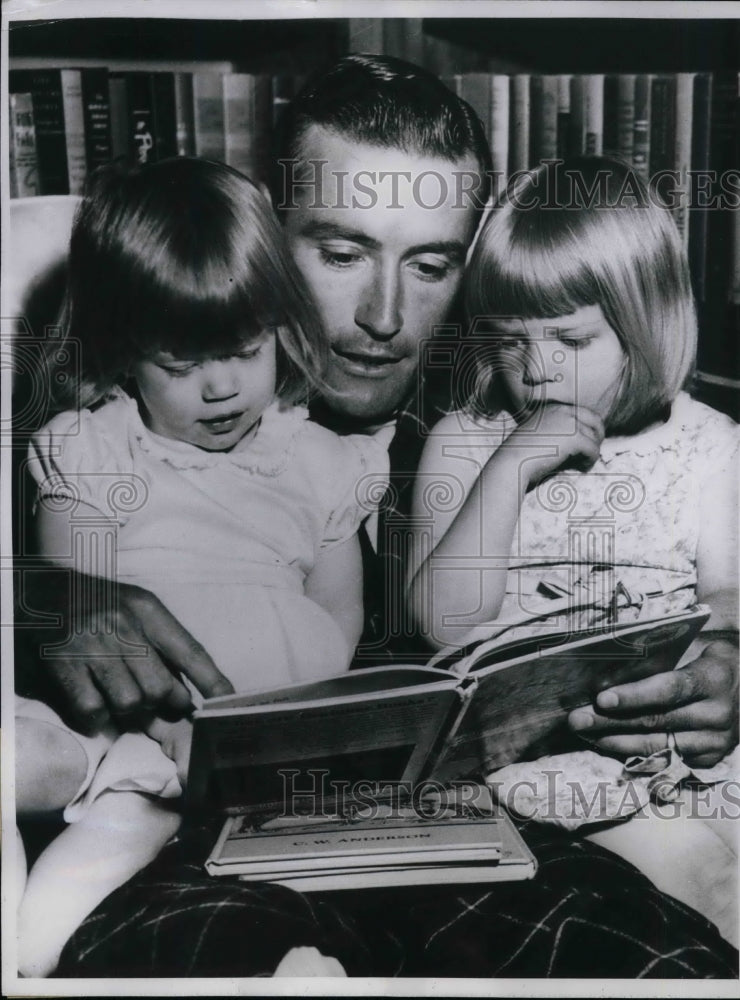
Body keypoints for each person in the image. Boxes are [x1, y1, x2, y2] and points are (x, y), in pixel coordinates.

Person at [15, 56, 738, 977]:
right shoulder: (140, 396)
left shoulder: (516, 417)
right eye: (342, 252)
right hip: (194, 830)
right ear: (267, 237)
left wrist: (726, 665)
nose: (384, 316)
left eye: (430, 264)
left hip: (491, 834)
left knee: (646, 962)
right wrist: (49, 592)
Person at [16, 156, 387, 976]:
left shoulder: (322, 461)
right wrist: (159, 730)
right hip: (132, 737)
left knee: (320, 902)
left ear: (278, 329)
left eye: (245, 350)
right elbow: (77, 620)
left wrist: (282, 733)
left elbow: (339, 629)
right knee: (71, 877)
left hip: (271, 751)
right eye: (180, 365)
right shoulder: (89, 447)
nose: (220, 387)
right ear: (120, 351)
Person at [407, 157, 739, 944]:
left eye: (572, 337)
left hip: (683, 745)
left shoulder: (709, 446)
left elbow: (730, 603)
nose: (538, 368)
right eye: (507, 341)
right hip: (545, 765)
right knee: (704, 878)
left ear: (646, 318)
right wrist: (511, 468)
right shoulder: (466, 442)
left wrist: (711, 655)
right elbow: (445, 627)